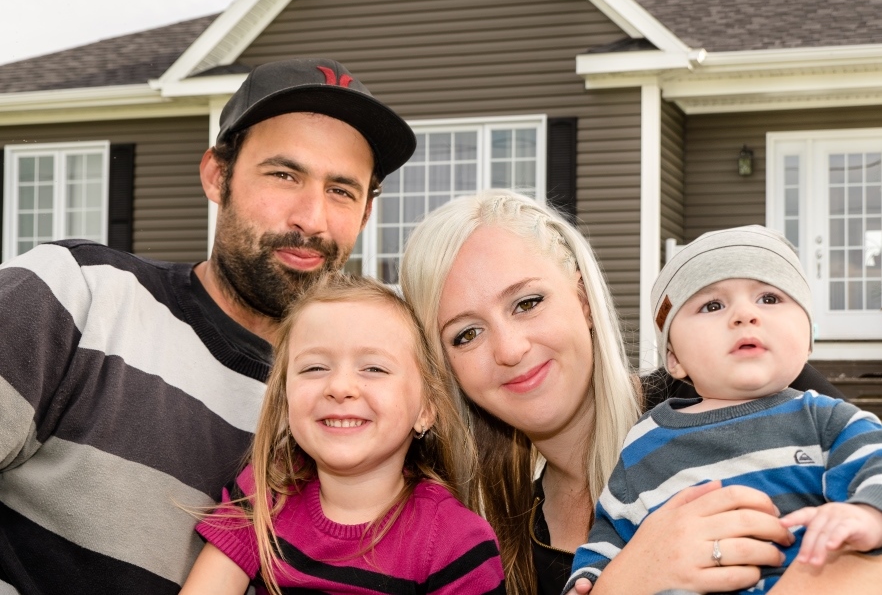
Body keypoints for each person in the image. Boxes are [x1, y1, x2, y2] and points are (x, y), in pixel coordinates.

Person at [0, 58, 415, 594]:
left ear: (365, 214)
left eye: (341, 190)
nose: (311, 218)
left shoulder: (358, 408)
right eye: (284, 175)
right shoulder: (77, 295)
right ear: (218, 176)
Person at [399, 190, 882, 595]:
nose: (510, 348)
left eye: (528, 302)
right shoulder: (494, 538)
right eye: (466, 334)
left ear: (583, 300)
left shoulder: (728, 385)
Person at [565, 225, 882, 594]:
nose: (745, 314)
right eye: (712, 305)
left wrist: (867, 513)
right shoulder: (644, 441)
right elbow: (612, 529)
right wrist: (589, 578)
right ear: (675, 358)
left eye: (769, 298)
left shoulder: (823, 420)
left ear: (808, 338)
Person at [180, 273, 505, 595]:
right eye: (315, 368)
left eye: (374, 368)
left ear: (425, 410)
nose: (339, 388)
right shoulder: (265, 494)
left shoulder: (456, 543)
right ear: (284, 398)